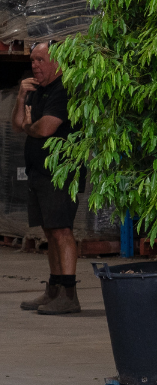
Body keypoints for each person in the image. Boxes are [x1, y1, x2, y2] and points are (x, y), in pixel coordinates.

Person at [13, 41, 81, 314]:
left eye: (40, 60)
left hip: (59, 173)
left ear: (57, 62)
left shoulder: (64, 90)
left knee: (62, 231)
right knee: (49, 232)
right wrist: (20, 98)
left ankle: (69, 294)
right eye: (32, 60)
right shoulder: (36, 90)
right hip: (39, 173)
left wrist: (30, 126)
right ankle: (54, 289)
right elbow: (18, 125)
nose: (34, 65)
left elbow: (44, 129)